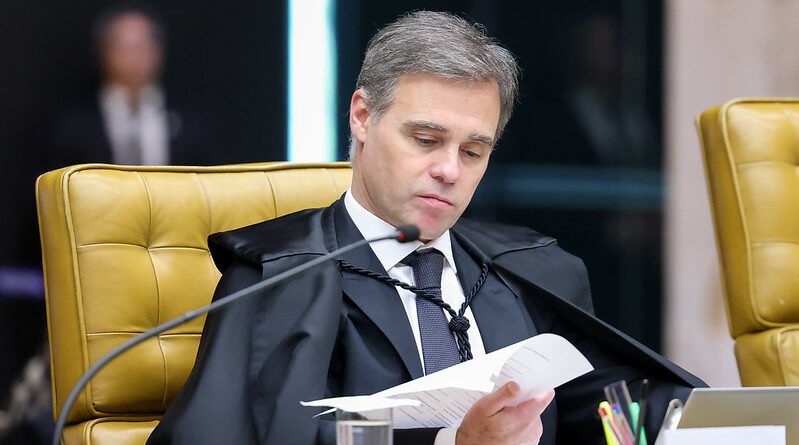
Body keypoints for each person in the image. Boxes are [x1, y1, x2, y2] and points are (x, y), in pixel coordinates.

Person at [147, 11, 705, 445]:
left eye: (474, 151)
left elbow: (613, 410)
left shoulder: (530, 273)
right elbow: (256, 433)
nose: (449, 170)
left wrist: (715, 423)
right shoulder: (278, 275)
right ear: (362, 116)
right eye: (426, 140)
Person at [49, 4, 214, 167]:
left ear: (158, 52)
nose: (134, 57)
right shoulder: (76, 127)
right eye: (125, 48)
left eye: (142, 46)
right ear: (103, 53)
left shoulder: (189, 123)